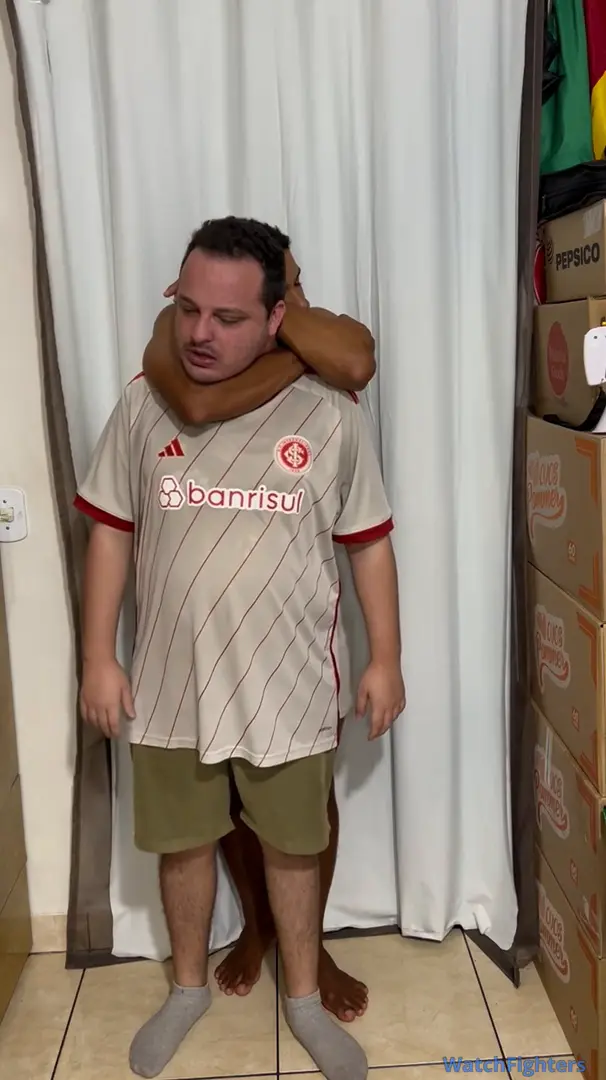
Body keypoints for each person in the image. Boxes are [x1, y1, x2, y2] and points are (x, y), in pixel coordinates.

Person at [76, 216, 405, 1080]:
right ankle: (185, 989)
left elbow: (369, 542)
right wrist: (98, 657)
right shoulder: (143, 403)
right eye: (189, 310)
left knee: (293, 845)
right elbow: (110, 532)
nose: (200, 333)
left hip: (289, 685)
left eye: (227, 318)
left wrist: (386, 659)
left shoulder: (329, 413)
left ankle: (303, 998)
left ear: (277, 318)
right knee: (183, 844)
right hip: (169, 683)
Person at [142, 226, 378, 1023]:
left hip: (293, 647)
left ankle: (310, 945)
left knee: (301, 810)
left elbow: (355, 364)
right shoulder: (181, 333)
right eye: (195, 307)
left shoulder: (307, 334)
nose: (204, 328)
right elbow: (196, 401)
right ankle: (257, 930)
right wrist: (294, 352)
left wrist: (294, 314)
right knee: (227, 800)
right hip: (195, 652)